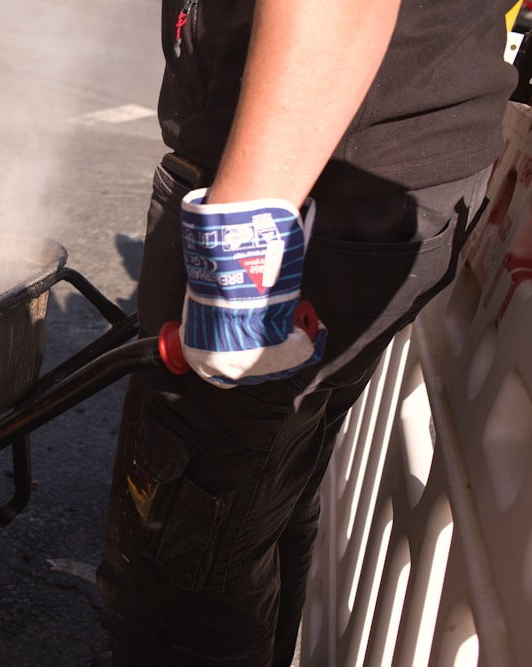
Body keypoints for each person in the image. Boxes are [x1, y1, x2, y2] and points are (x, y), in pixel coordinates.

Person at [95, 1, 517, 665]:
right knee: (250, 504)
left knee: (183, 557)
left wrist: (236, 266)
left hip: (307, 186)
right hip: (361, 171)